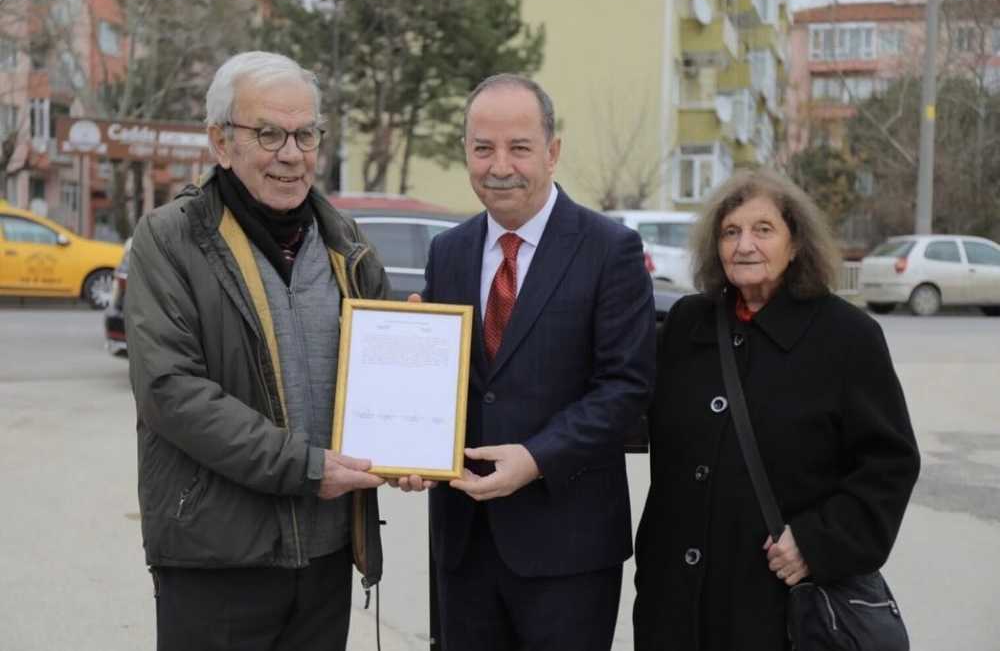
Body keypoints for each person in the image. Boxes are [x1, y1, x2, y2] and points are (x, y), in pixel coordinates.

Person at [126, 51, 389, 651]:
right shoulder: (170, 240)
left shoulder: (348, 247)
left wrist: (412, 437)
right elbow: (172, 392)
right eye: (268, 133)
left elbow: (378, 387)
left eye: (305, 134)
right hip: (217, 559)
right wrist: (305, 469)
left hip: (325, 557)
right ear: (221, 142)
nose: (291, 154)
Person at [632, 168, 921, 650]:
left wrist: (819, 541)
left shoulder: (846, 337)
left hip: (778, 606)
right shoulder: (688, 324)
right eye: (730, 232)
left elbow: (889, 464)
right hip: (673, 603)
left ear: (796, 244)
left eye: (763, 230)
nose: (744, 245)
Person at [416, 73, 656, 650]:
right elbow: (446, 385)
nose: (500, 165)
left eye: (519, 147)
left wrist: (535, 458)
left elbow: (626, 389)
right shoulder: (447, 253)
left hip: (566, 548)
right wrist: (414, 448)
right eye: (483, 148)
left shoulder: (610, 250)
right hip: (464, 544)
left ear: (552, 152)